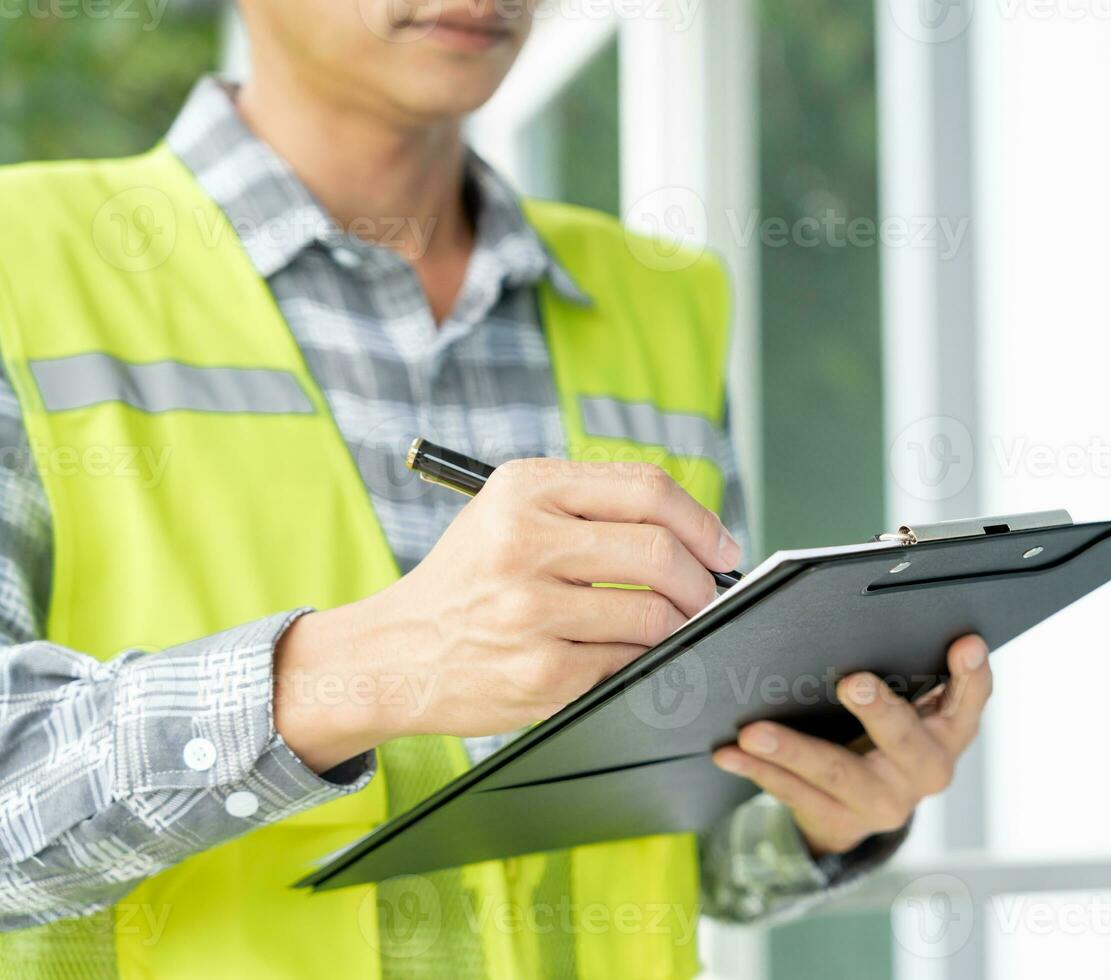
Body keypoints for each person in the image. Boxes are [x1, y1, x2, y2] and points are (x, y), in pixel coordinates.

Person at [0, 2, 994, 977]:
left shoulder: (660, 298)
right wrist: (361, 671)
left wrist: (827, 805)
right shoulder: (22, 263)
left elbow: (680, 838)